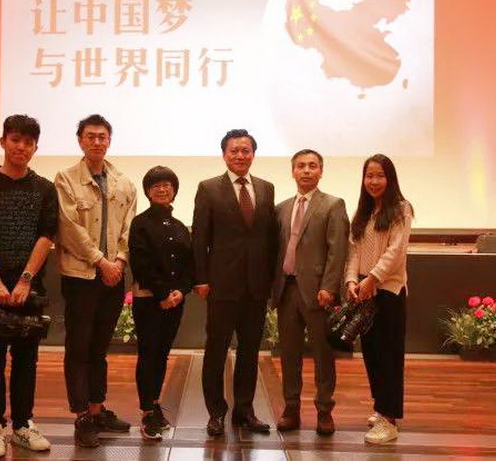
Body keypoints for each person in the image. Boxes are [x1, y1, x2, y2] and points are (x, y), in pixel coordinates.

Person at [0, 114, 56, 459]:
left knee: (26, 360)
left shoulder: (44, 188)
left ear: (35, 147)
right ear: (3, 141)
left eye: (29, 142)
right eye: (15, 140)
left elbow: (46, 235)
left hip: (28, 288)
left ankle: (22, 425)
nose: (21, 147)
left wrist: (25, 280)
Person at [54, 114, 137, 448]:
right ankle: (82, 417)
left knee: (100, 348)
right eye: (90, 136)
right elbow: (68, 227)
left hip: (113, 275)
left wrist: (119, 261)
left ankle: (97, 408)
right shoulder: (66, 179)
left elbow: (129, 227)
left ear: (109, 140)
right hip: (81, 275)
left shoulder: (123, 182)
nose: (97, 142)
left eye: (102, 137)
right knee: (79, 347)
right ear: (80, 140)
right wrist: (101, 261)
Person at [192, 129, 276, 436]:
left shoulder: (266, 188)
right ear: (224, 155)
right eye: (234, 151)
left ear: (253, 154)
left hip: (256, 287)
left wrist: (270, 281)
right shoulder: (208, 188)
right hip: (221, 285)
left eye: (246, 150)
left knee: (250, 352)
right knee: (216, 350)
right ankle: (216, 412)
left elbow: (269, 238)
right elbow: (199, 237)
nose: (240, 155)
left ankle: (245, 410)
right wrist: (201, 279)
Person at [272, 149, 349, 435]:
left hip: (318, 292)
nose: (306, 170)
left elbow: (337, 250)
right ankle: (291, 408)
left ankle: (324, 410)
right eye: (301, 166)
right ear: (293, 171)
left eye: (312, 166)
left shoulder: (333, 205)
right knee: (289, 354)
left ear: (321, 171)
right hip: (287, 290)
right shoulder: (280, 208)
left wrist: (329, 286)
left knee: (323, 354)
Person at [345, 154, 413, 444]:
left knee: (389, 357)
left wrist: (371, 279)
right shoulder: (363, 211)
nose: (374, 181)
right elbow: (353, 252)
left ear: (390, 178)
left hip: (389, 291)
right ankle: (381, 408)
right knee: (372, 354)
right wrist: (352, 280)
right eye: (369, 176)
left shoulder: (401, 209)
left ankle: (390, 420)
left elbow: (395, 252)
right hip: (365, 290)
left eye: (380, 176)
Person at [129, 166, 194, 441]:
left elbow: (189, 264)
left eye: (167, 185)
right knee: (148, 354)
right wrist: (163, 294)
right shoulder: (140, 223)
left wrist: (181, 291)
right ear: (147, 191)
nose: (162, 189)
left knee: (162, 354)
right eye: (156, 185)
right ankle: (146, 411)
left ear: (174, 190)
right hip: (149, 301)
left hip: (175, 301)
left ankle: (155, 404)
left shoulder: (179, 227)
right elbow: (141, 263)